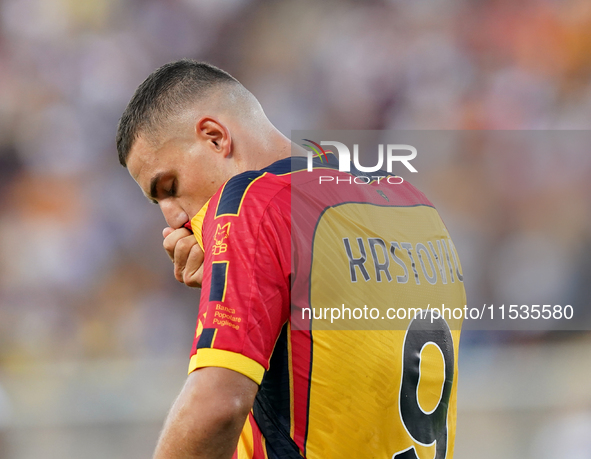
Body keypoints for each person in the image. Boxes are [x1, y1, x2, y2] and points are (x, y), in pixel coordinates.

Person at [117, 59, 466, 459]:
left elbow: (217, 406)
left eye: (169, 186)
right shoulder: (413, 204)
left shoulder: (253, 201)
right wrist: (235, 279)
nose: (173, 218)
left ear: (215, 137)